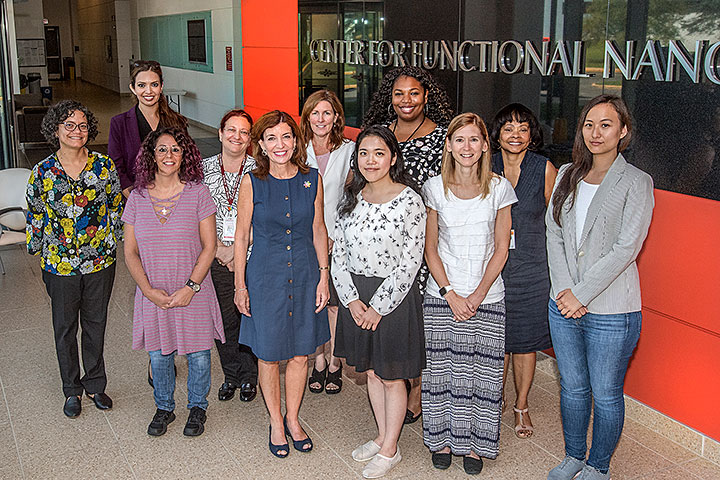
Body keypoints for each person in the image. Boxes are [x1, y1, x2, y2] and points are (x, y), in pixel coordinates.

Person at [545, 95, 654, 480]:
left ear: (623, 131)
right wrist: (564, 291)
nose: (595, 132)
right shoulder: (566, 174)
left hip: (612, 309)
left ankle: (598, 466)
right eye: (589, 124)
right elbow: (553, 235)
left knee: (606, 394)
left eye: (606, 125)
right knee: (573, 390)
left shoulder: (637, 182)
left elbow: (627, 248)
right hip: (563, 303)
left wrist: (581, 293)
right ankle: (574, 456)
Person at [421, 113, 516, 474]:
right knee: (440, 373)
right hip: (441, 295)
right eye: (459, 140)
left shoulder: (500, 188)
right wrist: (449, 292)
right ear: (448, 145)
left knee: (484, 376)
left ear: (485, 145)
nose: (466, 147)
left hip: (487, 298)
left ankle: (476, 446)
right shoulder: (433, 188)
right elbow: (430, 248)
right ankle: (442, 439)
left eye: (474, 139)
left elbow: (501, 249)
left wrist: (476, 295)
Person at [233, 111, 330, 458]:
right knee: (269, 355)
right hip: (265, 277)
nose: (280, 144)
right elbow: (242, 236)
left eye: (286, 136)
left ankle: (293, 418)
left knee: (302, 353)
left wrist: (323, 275)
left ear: (296, 140)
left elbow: (319, 229)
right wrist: (240, 286)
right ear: (260, 144)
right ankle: (275, 421)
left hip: (305, 274)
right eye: (271, 138)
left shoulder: (312, 179)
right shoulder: (252, 182)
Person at [332, 125, 426, 479]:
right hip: (356, 294)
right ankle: (384, 437)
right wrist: (352, 300)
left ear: (393, 158)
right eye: (364, 153)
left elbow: (411, 260)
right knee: (371, 370)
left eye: (379, 153)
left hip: (394, 298)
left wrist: (378, 305)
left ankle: (390, 450)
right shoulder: (351, 196)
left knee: (392, 376)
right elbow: (338, 251)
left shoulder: (409, 200)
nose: (371, 160)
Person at [362, 65, 454, 425]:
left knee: (416, 318)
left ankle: (414, 389)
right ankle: (392, 380)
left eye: (414, 93)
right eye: (399, 93)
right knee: (390, 317)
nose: (406, 100)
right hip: (383, 244)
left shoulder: (442, 136)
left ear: (426, 96)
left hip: (424, 236)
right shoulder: (381, 134)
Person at [123, 127, 224, 438]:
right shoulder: (138, 198)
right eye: (163, 149)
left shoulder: (198, 193)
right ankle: (164, 406)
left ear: (185, 156)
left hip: (193, 289)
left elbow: (210, 246)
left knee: (198, 355)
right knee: (158, 354)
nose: (169, 155)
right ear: (152, 155)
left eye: (176, 150)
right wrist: (148, 290)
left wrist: (190, 287)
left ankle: (197, 406)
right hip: (153, 291)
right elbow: (130, 252)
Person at [26, 100, 123, 418]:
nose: (76, 131)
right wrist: (38, 252)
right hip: (60, 265)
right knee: (65, 327)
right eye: (69, 125)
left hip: (100, 262)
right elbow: (36, 215)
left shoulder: (103, 166)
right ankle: (72, 390)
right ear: (55, 130)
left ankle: (95, 384)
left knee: (95, 324)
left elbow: (116, 208)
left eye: (82, 125)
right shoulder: (42, 172)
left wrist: (125, 243)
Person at [490, 103, 557, 439]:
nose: (515, 135)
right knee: (497, 339)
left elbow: (557, 222)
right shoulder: (485, 166)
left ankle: (521, 404)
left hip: (532, 267)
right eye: (508, 129)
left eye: (523, 128)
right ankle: (496, 398)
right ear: (497, 135)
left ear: (532, 135)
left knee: (525, 343)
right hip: (492, 266)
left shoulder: (544, 168)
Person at [202, 109, 259, 403]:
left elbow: (265, 217)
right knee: (223, 319)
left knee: (248, 316)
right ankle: (231, 375)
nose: (237, 136)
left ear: (250, 138)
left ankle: (250, 377)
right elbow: (198, 216)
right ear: (221, 133)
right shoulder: (202, 170)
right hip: (216, 254)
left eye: (244, 132)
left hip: (252, 255)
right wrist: (222, 252)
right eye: (231, 130)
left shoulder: (260, 169)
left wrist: (239, 251)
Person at [301, 90, 355, 395]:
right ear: (308, 117)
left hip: (338, 241)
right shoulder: (297, 150)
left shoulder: (349, 150)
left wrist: (334, 235)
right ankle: (317, 361)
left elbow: (352, 199)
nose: (321, 119)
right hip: (303, 238)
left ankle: (334, 363)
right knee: (313, 304)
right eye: (315, 113)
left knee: (333, 305)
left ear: (336, 117)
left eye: (327, 113)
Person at [109, 60, 188, 199]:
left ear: (161, 87)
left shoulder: (177, 122)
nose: (148, 91)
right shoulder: (119, 123)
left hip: (172, 196)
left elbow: (186, 159)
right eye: (141, 85)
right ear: (133, 88)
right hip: (134, 196)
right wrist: (131, 194)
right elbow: (115, 164)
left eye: (154, 85)